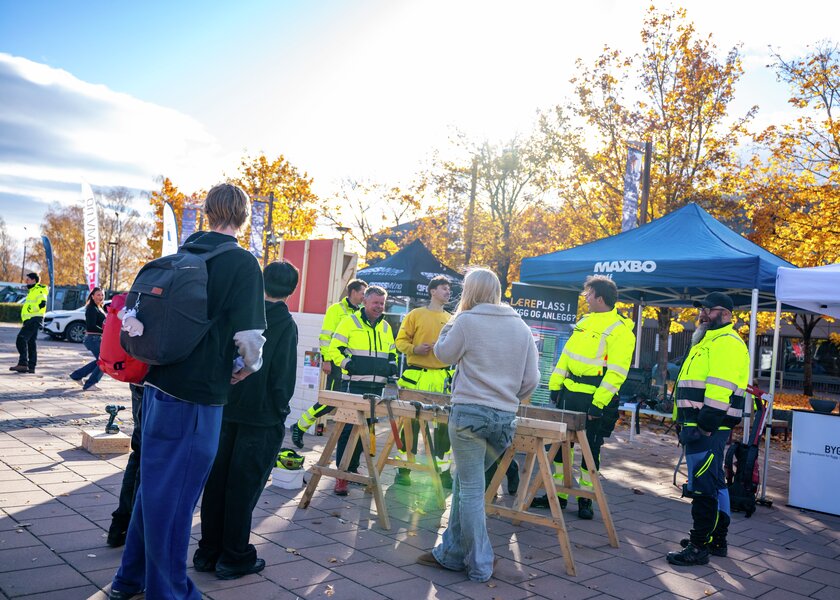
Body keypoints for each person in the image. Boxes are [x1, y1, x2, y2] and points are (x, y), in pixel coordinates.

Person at [109, 183, 267, 600]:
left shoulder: (185, 253)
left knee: (155, 490)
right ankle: (169, 592)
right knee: (176, 499)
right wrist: (246, 369)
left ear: (208, 212)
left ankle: (129, 579)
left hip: (157, 385)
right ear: (243, 216)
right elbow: (250, 338)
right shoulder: (242, 263)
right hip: (198, 397)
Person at [416, 268, 539, 582]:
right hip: (504, 419)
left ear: (469, 291)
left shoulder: (466, 321)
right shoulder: (521, 326)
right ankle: (451, 554)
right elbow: (532, 380)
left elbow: (443, 355)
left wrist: (452, 322)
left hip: (469, 414)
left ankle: (481, 563)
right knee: (466, 482)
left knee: (470, 489)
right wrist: (508, 398)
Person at [194, 260, 299, 579]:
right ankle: (234, 556)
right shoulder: (285, 323)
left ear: (262, 283)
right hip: (261, 417)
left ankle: (208, 551)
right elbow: (283, 376)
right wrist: (279, 411)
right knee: (243, 488)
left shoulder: (242, 314)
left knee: (217, 483)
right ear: (292, 291)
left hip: (225, 409)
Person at [531, 275, 635, 519]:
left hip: (593, 398)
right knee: (559, 447)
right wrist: (555, 386)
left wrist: (599, 403)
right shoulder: (584, 322)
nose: (585, 298)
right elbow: (566, 356)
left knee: (591, 451)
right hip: (569, 394)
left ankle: (586, 499)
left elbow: (617, 373)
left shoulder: (620, 330)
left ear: (600, 298)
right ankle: (556, 495)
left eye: (588, 294)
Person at [666, 292, 748, 566]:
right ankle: (716, 540)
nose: (702, 314)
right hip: (700, 424)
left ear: (725, 314)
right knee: (714, 482)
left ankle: (699, 546)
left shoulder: (726, 343)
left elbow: (719, 389)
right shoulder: (708, 340)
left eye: (708, 310)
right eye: (701, 309)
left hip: (707, 427)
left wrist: (705, 426)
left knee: (703, 486)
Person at [329, 285, 398, 495]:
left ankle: (352, 468)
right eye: (375, 302)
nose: (379, 306)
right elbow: (334, 349)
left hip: (377, 387)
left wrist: (392, 365)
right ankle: (341, 476)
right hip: (354, 384)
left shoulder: (386, 327)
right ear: (365, 301)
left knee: (366, 431)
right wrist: (348, 365)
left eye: (382, 303)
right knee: (348, 430)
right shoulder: (349, 322)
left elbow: (392, 352)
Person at [290, 279, 367, 448]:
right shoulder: (336, 310)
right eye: (363, 293)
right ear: (353, 292)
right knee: (329, 401)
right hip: (335, 363)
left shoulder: (362, 312)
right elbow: (325, 337)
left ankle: (347, 444)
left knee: (345, 402)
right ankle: (300, 426)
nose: (364, 297)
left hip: (351, 366)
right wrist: (326, 360)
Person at [394, 275, 454, 487]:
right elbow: (400, 342)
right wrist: (415, 349)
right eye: (444, 288)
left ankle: (443, 473)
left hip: (442, 379)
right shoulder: (415, 314)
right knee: (409, 424)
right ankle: (403, 470)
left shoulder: (451, 319)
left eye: (449, 289)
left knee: (443, 428)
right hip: (416, 377)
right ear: (432, 291)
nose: (448, 292)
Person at [107, 383, 144, 547]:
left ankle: (120, 525)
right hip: (161, 385)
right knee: (149, 456)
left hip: (141, 381)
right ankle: (135, 529)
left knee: (140, 453)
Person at [9, 272, 48, 374]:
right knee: (31, 343)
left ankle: (23, 364)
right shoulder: (32, 291)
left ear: (34, 280)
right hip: (31, 319)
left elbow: (42, 303)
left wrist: (31, 309)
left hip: (33, 319)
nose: (26, 281)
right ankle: (31, 367)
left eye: (28, 279)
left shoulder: (39, 290)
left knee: (21, 339)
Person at [69, 287, 106, 391]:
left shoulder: (98, 307)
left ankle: (77, 375)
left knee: (101, 361)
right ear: (92, 296)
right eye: (98, 295)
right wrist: (106, 332)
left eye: (102, 295)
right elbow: (91, 326)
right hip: (93, 339)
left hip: (97, 338)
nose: (100, 297)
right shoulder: (91, 308)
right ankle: (90, 383)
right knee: (104, 362)